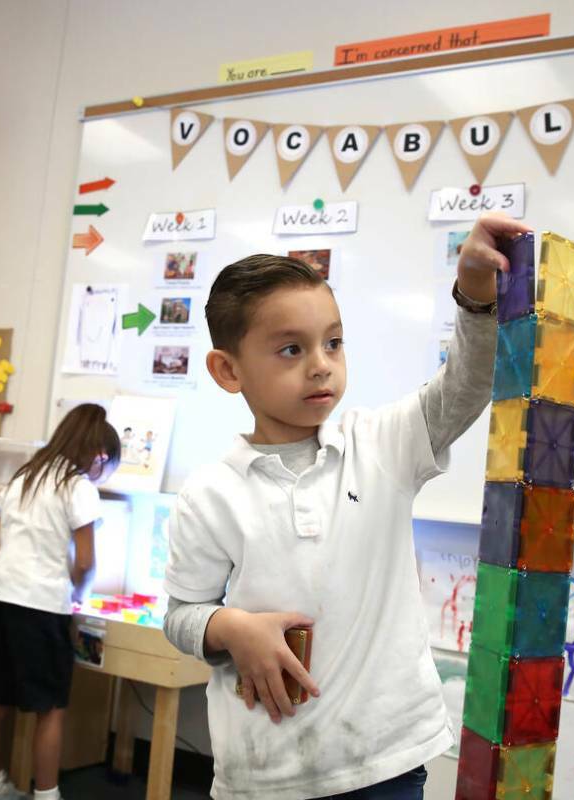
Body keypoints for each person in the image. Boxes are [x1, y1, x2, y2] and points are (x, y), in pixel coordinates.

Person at [162, 213, 529, 799]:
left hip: (385, 759)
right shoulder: (211, 493)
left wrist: (476, 295)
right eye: (290, 349)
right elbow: (181, 615)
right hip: (266, 771)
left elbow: (468, 383)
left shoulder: (383, 443)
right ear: (228, 370)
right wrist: (229, 627)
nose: (321, 363)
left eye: (333, 342)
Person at [0, 403, 121, 800]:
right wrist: (77, 593)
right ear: (98, 456)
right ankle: (46, 794)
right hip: (43, 608)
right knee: (50, 709)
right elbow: (87, 561)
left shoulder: (23, 478)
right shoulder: (79, 488)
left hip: (1, 604)